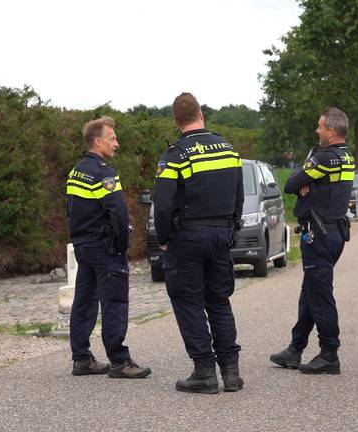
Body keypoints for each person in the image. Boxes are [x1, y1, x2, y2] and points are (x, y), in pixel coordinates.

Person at [153, 92, 244, 394]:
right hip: (221, 234)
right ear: (201, 114)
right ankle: (231, 373)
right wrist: (231, 228)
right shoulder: (228, 149)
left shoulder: (175, 154)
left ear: (175, 121)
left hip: (187, 238)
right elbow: (238, 196)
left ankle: (204, 372)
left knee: (188, 302)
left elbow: (163, 204)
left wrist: (164, 239)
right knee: (219, 301)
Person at [270, 107, 355, 374]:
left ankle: (329, 354)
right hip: (333, 232)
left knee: (320, 295)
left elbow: (291, 184)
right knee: (310, 292)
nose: (317, 131)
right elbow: (300, 183)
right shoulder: (346, 156)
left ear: (331, 131)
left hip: (319, 233)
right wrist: (308, 185)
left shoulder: (324, 158)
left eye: (320, 127)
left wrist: (306, 184)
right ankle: (295, 349)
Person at [66, 116, 152, 378]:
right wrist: (122, 245)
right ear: (98, 141)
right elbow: (118, 213)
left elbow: (74, 211)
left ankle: (81, 358)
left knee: (84, 302)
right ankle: (119, 361)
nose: (117, 143)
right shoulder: (105, 173)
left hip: (83, 245)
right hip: (105, 248)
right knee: (114, 301)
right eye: (112, 138)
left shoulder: (76, 171)